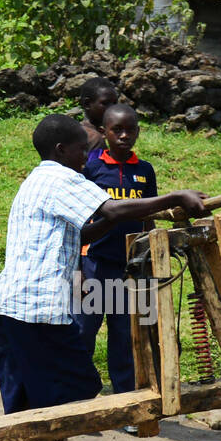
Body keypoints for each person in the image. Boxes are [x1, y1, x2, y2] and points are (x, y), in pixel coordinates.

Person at [0, 114, 205, 441]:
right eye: (82, 151)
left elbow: (85, 231)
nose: (86, 159)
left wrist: (116, 221)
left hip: (11, 307)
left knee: (24, 409)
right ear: (61, 151)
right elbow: (115, 209)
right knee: (80, 388)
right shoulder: (60, 177)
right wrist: (176, 198)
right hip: (40, 309)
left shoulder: (36, 180)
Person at [75, 103, 156, 396]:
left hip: (129, 268)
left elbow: (149, 217)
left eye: (130, 129)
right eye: (116, 130)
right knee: (83, 332)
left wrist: (148, 262)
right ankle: (75, 397)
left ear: (138, 131)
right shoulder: (91, 168)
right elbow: (79, 218)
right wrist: (78, 268)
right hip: (94, 265)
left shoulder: (145, 171)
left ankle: (123, 402)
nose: (124, 135)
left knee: (124, 336)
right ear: (103, 132)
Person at [78, 77, 118, 154]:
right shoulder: (95, 139)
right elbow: (96, 166)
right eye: (105, 103)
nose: (112, 108)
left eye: (114, 103)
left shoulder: (74, 130)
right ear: (87, 104)